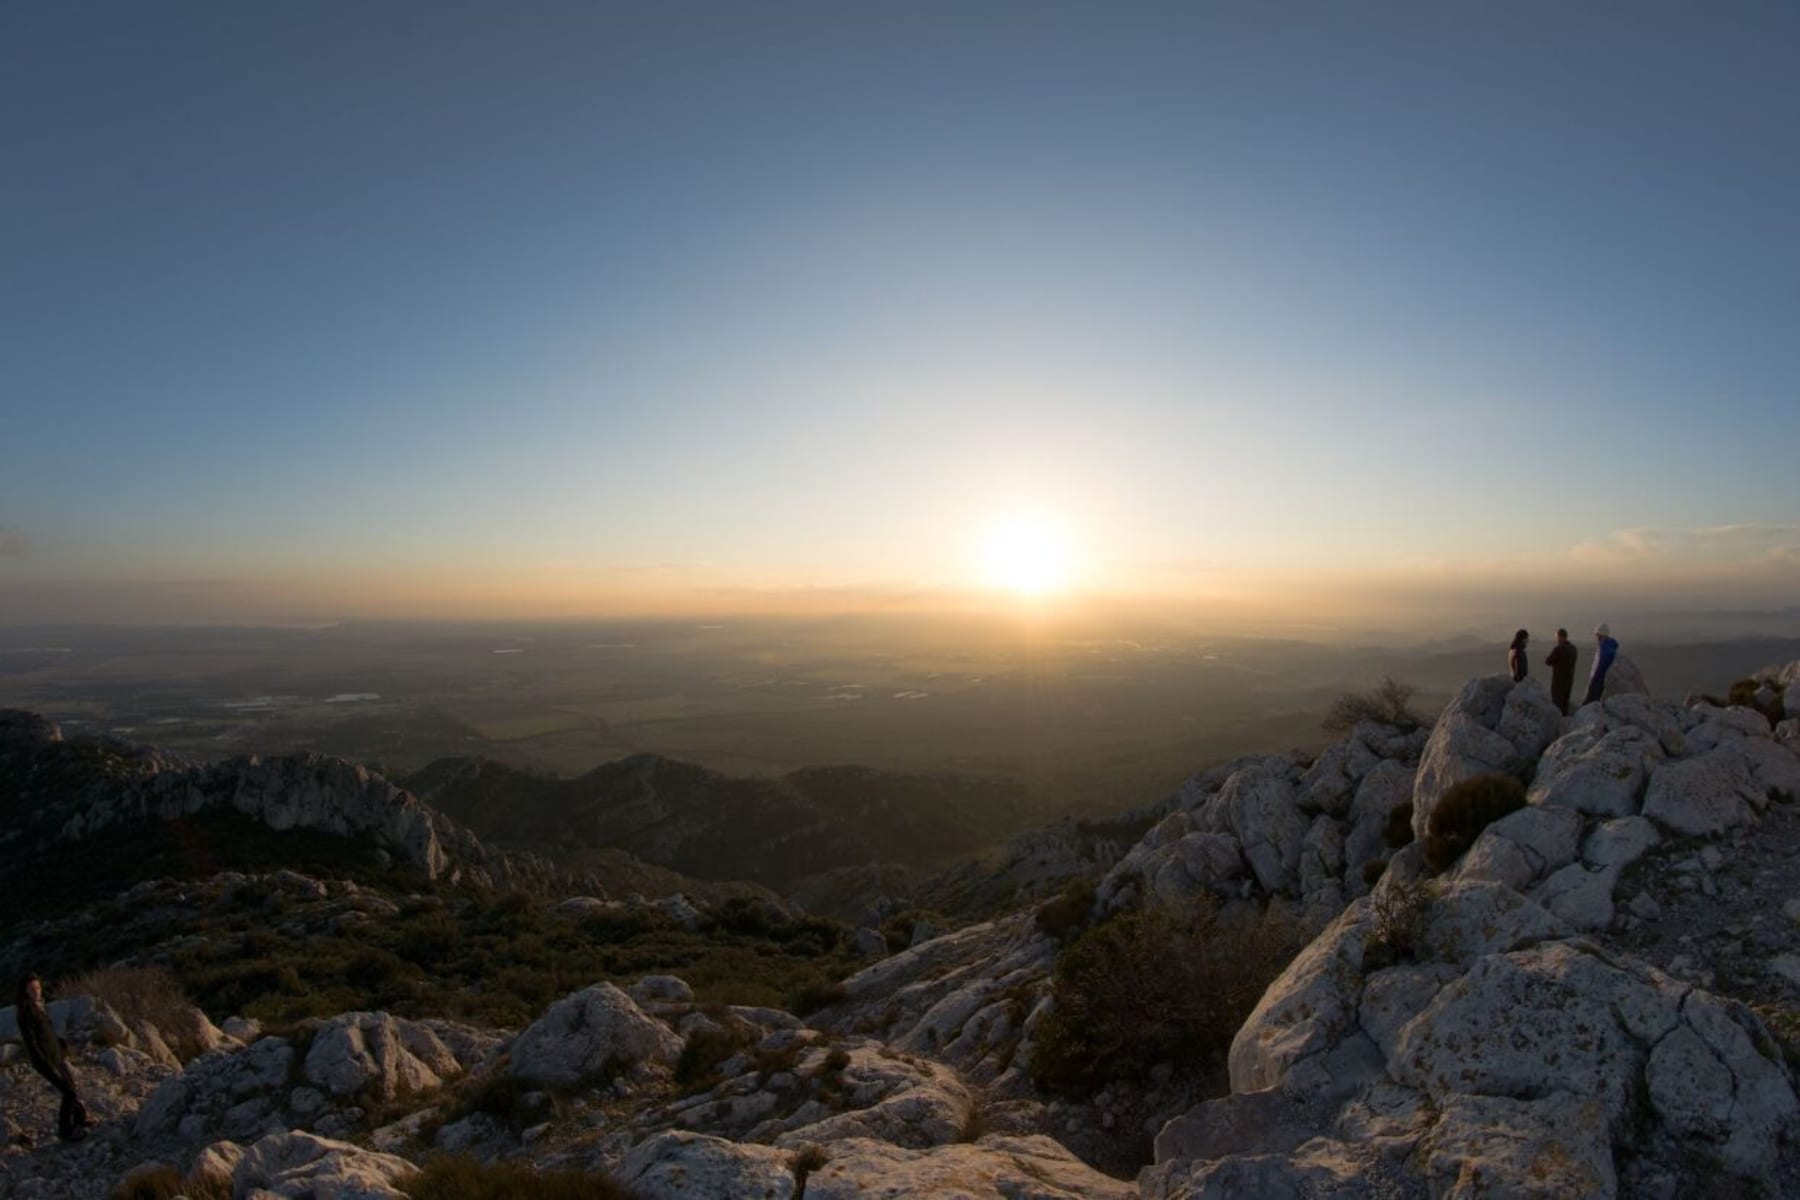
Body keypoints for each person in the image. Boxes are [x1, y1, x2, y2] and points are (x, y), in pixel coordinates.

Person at [14, 973, 91, 1142]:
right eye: (32, 989)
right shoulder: (25, 1013)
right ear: (25, 991)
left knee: (71, 1087)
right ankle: (65, 1131)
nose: (37, 992)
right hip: (45, 1060)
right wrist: (43, 1061)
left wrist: (61, 1045)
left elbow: (48, 1033)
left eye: (38, 988)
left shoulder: (39, 1006)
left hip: (56, 1054)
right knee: (68, 1091)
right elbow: (31, 1042)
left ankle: (80, 1119)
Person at [1583, 623, 1620, 706]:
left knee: (1590, 704)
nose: (1596, 638)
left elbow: (1600, 667)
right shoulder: (1610, 646)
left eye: (1596, 635)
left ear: (1599, 636)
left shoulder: (1604, 648)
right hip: (1602, 682)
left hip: (1598, 682)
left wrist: (1594, 680)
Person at [1544, 628, 1578, 715]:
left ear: (1560, 637)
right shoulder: (1573, 649)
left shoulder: (1558, 649)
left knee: (1557, 703)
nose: (1556, 640)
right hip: (1569, 679)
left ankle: (1557, 724)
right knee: (1565, 703)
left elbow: (1548, 661)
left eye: (1557, 637)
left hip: (1558, 681)